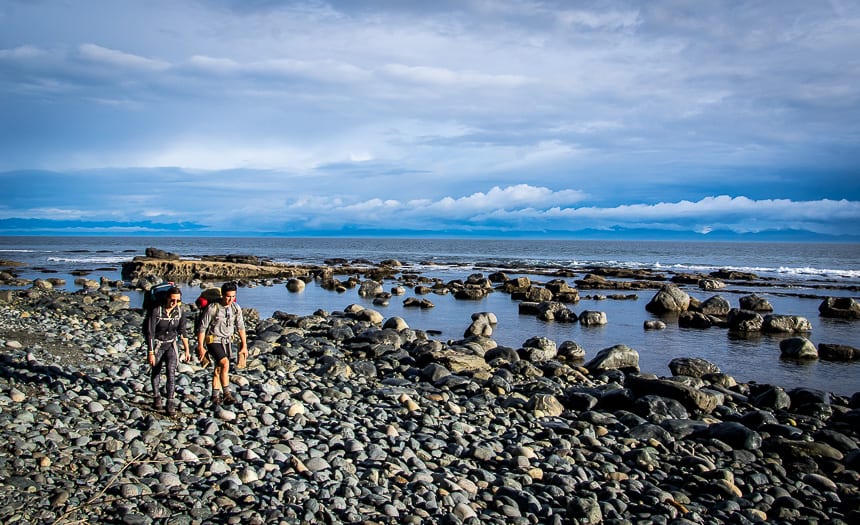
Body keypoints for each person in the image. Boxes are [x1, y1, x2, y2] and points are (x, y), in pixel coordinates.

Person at [197, 281, 248, 407]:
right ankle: (227, 394)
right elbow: (202, 328)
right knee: (225, 363)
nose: (230, 299)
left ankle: (214, 396)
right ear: (222, 295)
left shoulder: (236, 308)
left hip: (227, 341)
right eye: (227, 296)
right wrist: (201, 347)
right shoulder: (213, 308)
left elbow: (241, 327)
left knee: (218, 368)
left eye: (232, 296)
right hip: (213, 340)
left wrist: (244, 345)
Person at [146, 286, 190, 415]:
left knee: (171, 372)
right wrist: (151, 353)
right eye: (172, 300)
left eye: (177, 301)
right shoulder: (156, 311)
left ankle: (170, 403)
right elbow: (150, 333)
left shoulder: (180, 312)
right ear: (167, 298)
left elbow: (183, 331)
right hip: (158, 345)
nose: (174, 303)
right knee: (156, 371)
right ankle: (156, 397)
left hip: (171, 344)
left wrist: (187, 350)